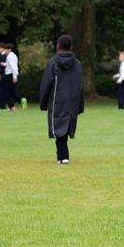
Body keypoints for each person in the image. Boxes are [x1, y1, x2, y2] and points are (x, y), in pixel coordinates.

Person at [39, 35, 84, 164]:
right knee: (65, 126)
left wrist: (43, 102)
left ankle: (63, 156)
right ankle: (63, 155)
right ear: (71, 47)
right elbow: (81, 85)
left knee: (59, 126)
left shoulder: (53, 62)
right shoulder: (78, 64)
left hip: (57, 99)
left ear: (58, 46)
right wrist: (80, 105)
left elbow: (47, 83)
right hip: (72, 100)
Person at [1, 42, 20, 111]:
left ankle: (11, 105)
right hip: (10, 74)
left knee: (5, 91)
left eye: (5, 49)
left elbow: (14, 67)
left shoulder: (10, 56)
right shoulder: (12, 55)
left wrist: (14, 76)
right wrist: (5, 64)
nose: (5, 51)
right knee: (10, 91)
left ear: (9, 49)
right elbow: (10, 65)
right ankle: (12, 105)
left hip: (10, 75)